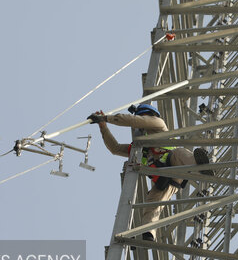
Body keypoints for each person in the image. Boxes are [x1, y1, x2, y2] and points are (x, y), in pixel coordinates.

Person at [87, 104, 211, 243]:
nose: (140, 123)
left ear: (149, 114)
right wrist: (103, 127)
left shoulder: (159, 124)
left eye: (141, 116)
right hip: (165, 179)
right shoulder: (141, 149)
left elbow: (135, 121)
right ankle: (148, 233)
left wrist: (105, 118)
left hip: (175, 163)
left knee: (180, 152)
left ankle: (200, 167)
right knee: (152, 202)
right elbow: (115, 148)